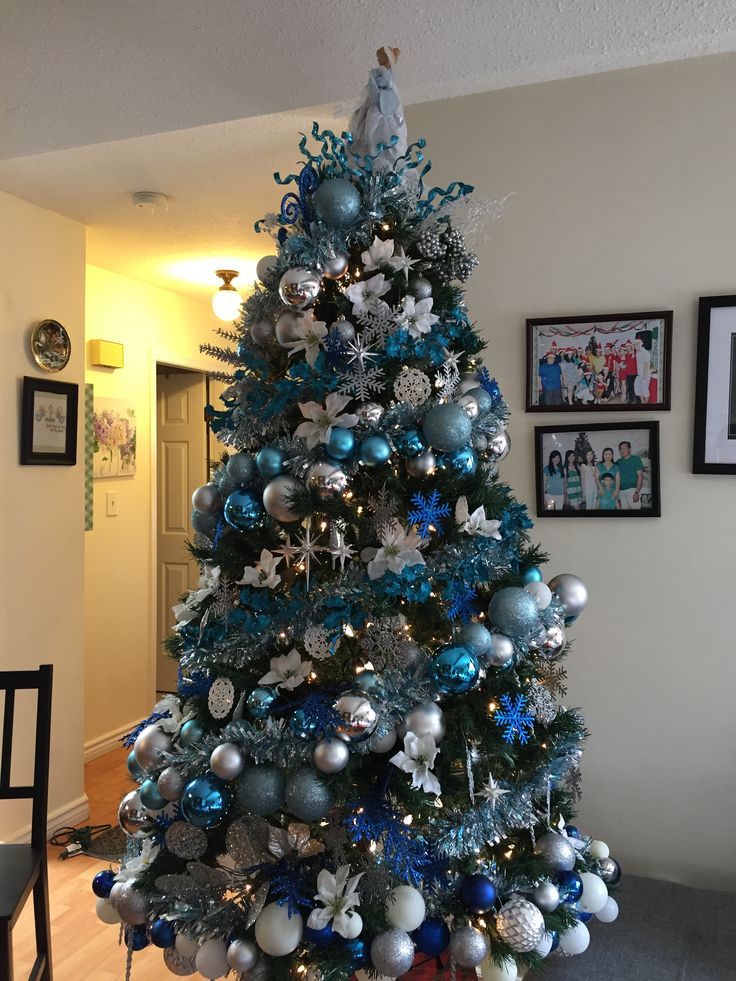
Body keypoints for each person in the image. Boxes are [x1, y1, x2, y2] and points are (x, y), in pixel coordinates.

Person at [616, 440, 644, 509]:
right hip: (621, 491)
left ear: (630, 449)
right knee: (624, 517)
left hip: (633, 491)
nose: (623, 450)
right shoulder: (618, 462)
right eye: (621, 449)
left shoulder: (636, 459)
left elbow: (640, 477)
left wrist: (637, 493)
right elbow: (617, 478)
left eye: (625, 448)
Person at [634, 337, 652, 404]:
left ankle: (645, 403)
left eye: (636, 344)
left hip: (645, 374)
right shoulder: (637, 353)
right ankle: (642, 401)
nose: (635, 346)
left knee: (645, 390)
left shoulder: (646, 352)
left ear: (641, 344)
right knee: (637, 389)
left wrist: (644, 377)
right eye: (634, 345)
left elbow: (646, 365)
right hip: (639, 374)